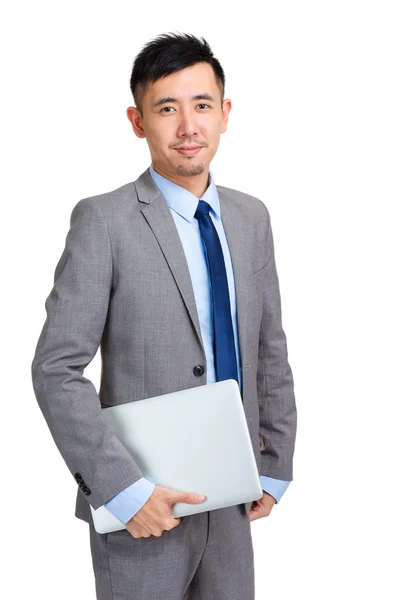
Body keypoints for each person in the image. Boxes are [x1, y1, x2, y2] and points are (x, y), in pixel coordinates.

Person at [31, 31, 297, 600]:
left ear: (225, 114)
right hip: (144, 506)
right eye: (166, 108)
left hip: (234, 500)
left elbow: (268, 348)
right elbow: (56, 368)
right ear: (136, 120)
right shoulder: (103, 221)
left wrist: (274, 464)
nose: (187, 126)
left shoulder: (252, 219)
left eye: (202, 105)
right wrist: (122, 491)